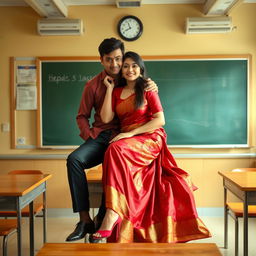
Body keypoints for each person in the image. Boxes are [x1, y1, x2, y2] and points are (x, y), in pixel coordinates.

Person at [92, 51, 211, 243]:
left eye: (134, 66)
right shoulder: (115, 92)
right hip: (128, 141)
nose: (130, 70)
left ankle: (112, 213)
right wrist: (108, 89)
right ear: (121, 70)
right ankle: (115, 210)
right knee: (113, 149)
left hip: (149, 138)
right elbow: (105, 118)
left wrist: (131, 133)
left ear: (140, 69)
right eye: (126, 66)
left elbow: (160, 120)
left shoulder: (148, 89)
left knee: (115, 148)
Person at [66, 38, 157, 242]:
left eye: (118, 59)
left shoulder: (132, 78)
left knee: (113, 157)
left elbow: (149, 100)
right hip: (101, 136)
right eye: (109, 60)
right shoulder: (92, 85)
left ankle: (103, 214)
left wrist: (151, 84)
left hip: (126, 137)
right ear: (101, 60)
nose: (115, 65)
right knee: (74, 159)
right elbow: (81, 116)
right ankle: (84, 220)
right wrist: (89, 136)